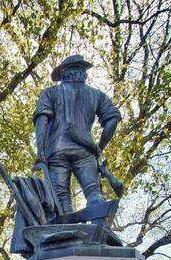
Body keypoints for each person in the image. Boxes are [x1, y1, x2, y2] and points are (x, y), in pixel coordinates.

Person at [33, 54, 122, 216]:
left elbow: (42, 120)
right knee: (94, 193)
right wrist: (99, 148)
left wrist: (40, 153)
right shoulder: (98, 95)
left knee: (61, 198)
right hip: (86, 152)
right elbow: (112, 121)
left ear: (65, 73)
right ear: (83, 73)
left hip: (56, 152)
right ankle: (98, 231)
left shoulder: (50, 93)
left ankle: (67, 235)